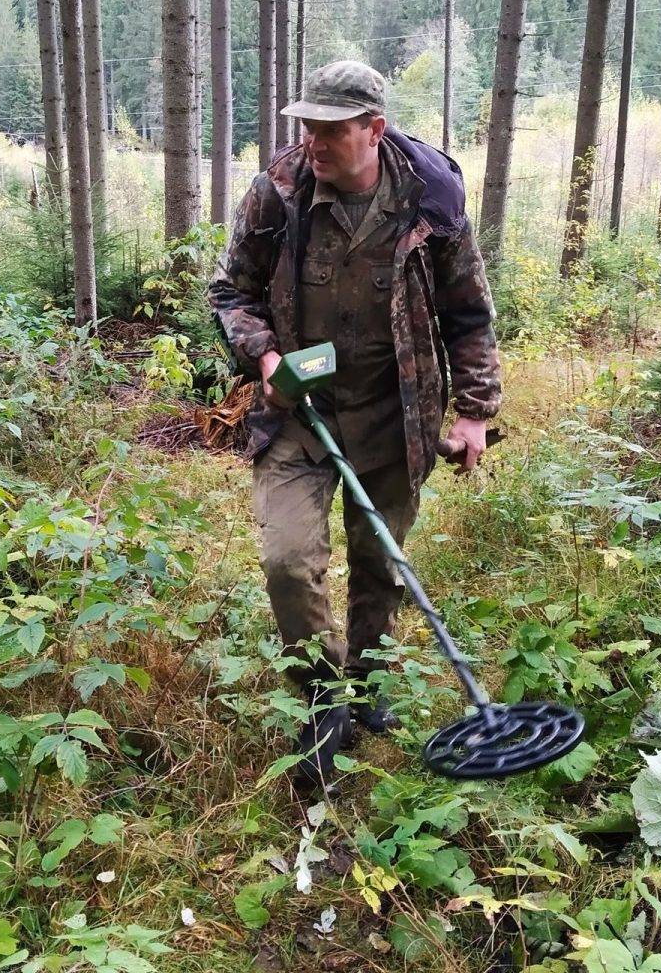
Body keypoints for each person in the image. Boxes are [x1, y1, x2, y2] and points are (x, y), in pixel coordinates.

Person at [208, 60, 502, 792]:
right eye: (307, 127)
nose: (314, 143)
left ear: (374, 130)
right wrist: (263, 352)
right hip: (299, 415)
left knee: (380, 565)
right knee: (287, 561)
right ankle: (323, 699)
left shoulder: (431, 204)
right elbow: (230, 291)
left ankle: (367, 685)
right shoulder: (278, 190)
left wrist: (474, 412)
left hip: (396, 414)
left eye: (331, 131)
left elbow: (469, 314)